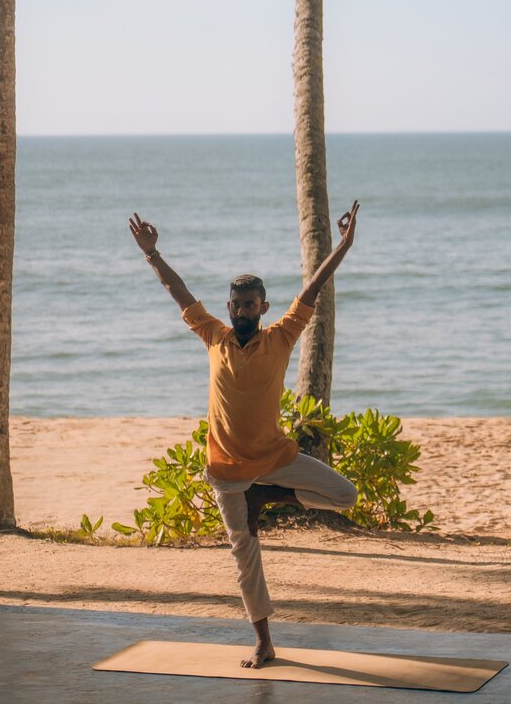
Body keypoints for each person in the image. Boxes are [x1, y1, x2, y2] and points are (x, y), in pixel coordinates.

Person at [128, 200, 361, 669]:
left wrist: (345, 246)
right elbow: (178, 291)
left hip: (275, 459)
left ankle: (268, 499)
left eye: (250, 305)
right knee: (244, 556)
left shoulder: (281, 336)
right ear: (229, 307)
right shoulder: (213, 335)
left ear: (263, 308)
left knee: (345, 496)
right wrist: (152, 254)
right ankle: (264, 642)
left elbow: (314, 288)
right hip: (227, 470)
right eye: (235, 305)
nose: (241, 311)